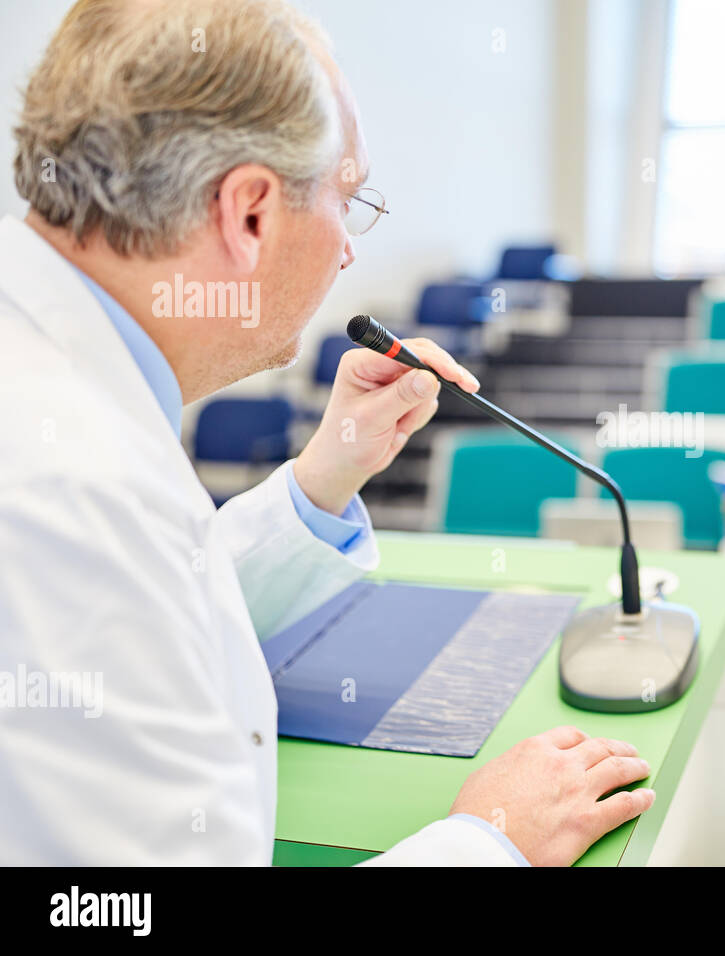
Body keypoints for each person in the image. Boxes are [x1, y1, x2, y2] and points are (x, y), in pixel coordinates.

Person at [0, 0, 653, 866]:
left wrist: (325, 475)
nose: (349, 250)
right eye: (348, 199)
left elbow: (154, 606)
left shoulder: (60, 402)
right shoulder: (69, 489)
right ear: (251, 215)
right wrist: (490, 841)